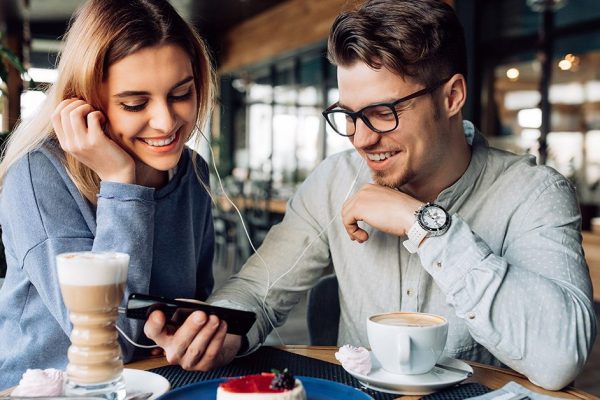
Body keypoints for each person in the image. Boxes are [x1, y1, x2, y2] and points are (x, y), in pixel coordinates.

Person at [143, 0, 597, 390]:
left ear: (452, 96)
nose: (360, 139)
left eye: (382, 113)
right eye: (348, 114)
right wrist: (223, 329)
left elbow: (559, 359)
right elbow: (259, 293)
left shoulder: (534, 192)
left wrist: (424, 225)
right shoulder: (335, 179)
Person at [0, 0, 219, 387]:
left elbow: (195, 300)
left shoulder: (192, 172)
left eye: (181, 94)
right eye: (135, 104)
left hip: (154, 385)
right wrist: (121, 181)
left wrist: (188, 331)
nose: (166, 122)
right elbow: (105, 340)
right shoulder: (37, 176)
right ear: (87, 102)